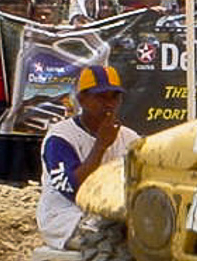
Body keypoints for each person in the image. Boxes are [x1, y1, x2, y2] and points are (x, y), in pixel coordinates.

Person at [37, 64, 140, 249]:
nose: (109, 104)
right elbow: (76, 191)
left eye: (114, 97)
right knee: (112, 241)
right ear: (82, 99)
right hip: (66, 218)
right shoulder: (60, 137)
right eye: (101, 96)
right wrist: (100, 146)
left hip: (112, 216)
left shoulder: (130, 138)